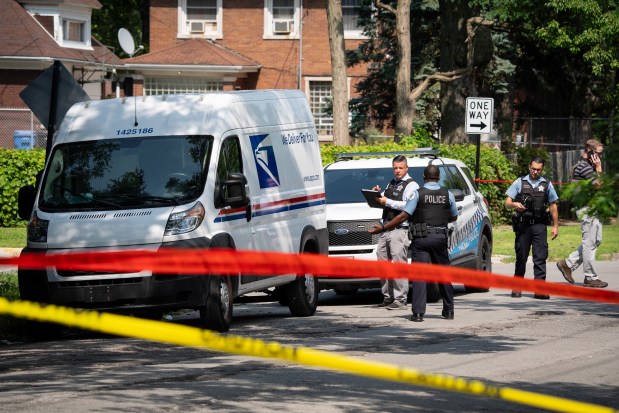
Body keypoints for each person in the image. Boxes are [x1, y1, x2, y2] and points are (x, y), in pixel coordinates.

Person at [370, 164, 458, 322]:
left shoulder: (418, 194)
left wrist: (384, 227)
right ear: (438, 178)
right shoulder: (447, 194)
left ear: (424, 178)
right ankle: (449, 310)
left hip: (421, 239)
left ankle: (418, 313)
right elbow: (453, 216)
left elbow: (404, 215)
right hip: (440, 238)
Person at [505, 157, 559, 299]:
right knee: (521, 256)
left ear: (542, 169)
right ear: (529, 167)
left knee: (540, 257)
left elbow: (553, 205)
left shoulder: (546, 184)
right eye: (533, 169)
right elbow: (507, 202)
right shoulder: (520, 182)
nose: (535, 172)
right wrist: (515, 204)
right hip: (523, 226)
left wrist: (555, 226)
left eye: (538, 169)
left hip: (539, 225)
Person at [556, 139, 608, 288]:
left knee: (595, 240)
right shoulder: (584, 167)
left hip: (592, 208)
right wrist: (599, 168)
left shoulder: (587, 166)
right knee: (589, 242)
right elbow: (600, 186)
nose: (600, 157)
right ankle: (590, 276)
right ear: (590, 152)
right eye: (598, 154)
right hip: (587, 209)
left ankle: (567, 263)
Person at [373, 155, 419, 310]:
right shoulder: (392, 183)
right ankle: (388, 297)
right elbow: (386, 202)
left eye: (400, 168)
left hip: (400, 229)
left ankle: (400, 299)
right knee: (382, 263)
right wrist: (378, 195)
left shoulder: (411, 186)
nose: (397, 171)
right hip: (386, 227)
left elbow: (408, 206)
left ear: (407, 168)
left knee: (399, 264)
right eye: (395, 168)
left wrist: (388, 202)